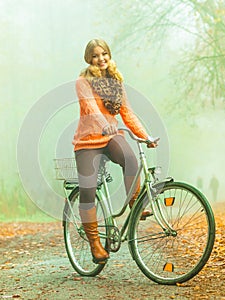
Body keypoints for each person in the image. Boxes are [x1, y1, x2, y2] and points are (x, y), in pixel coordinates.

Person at [72, 39, 158, 264]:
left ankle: (135, 203)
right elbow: (91, 108)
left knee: (131, 159)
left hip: (111, 137)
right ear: (88, 59)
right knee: (88, 189)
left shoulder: (116, 82)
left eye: (104, 54)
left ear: (109, 56)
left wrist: (145, 136)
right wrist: (104, 124)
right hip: (87, 141)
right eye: (95, 56)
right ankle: (95, 244)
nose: (100, 59)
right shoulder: (83, 81)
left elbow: (127, 113)